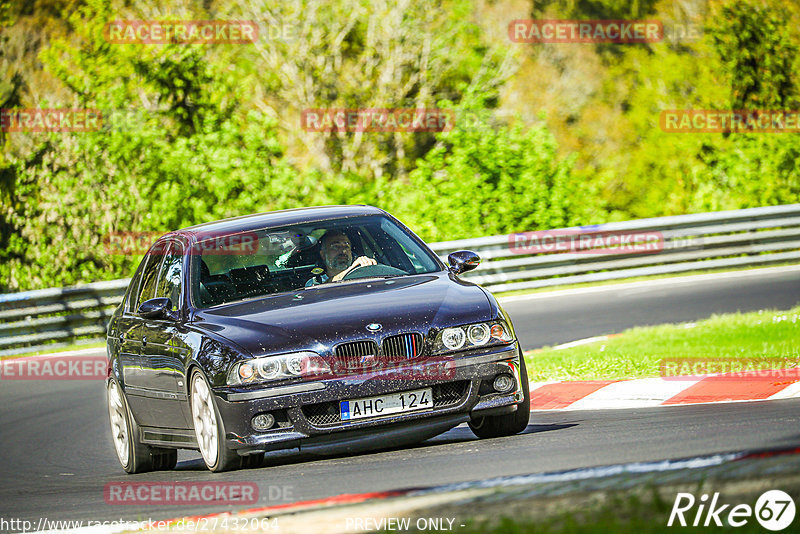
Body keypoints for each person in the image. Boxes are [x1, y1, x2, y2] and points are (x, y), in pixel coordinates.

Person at [305, 231, 376, 286]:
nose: (343, 251)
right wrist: (352, 268)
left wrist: (370, 266)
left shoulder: (363, 275)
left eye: (346, 246)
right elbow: (321, 289)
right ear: (323, 254)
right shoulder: (315, 282)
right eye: (336, 246)